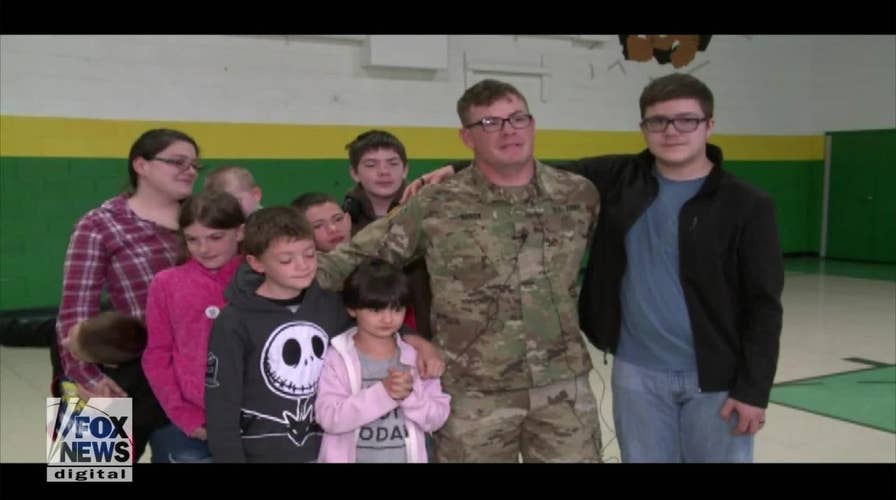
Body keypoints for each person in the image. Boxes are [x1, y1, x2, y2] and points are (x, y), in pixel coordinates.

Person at [405, 73, 785, 463]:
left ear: (710, 125)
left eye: (686, 119)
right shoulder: (621, 178)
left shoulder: (747, 204)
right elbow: (529, 166)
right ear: (644, 129)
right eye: (658, 121)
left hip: (716, 377)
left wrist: (753, 390)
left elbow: (764, 304)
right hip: (637, 372)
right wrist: (456, 167)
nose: (671, 131)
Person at [317, 79, 603, 462]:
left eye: (517, 118)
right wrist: (266, 274)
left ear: (532, 124)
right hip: (473, 392)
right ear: (467, 138)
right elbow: (354, 260)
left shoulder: (577, 195)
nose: (508, 131)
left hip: (563, 388)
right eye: (489, 123)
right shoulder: (437, 204)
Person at [55, 128, 201, 459]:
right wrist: (86, 379)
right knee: (90, 475)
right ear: (141, 165)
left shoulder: (203, 222)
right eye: (178, 162)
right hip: (117, 371)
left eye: (194, 165)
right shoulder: (100, 224)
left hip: (187, 377)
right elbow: (74, 314)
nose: (190, 170)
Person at [143, 190, 246, 463]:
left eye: (215, 237)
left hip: (249, 418)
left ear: (240, 232)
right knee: (86, 469)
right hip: (103, 369)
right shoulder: (166, 283)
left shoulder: (262, 277)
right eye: (193, 240)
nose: (204, 248)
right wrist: (184, 415)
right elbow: (157, 354)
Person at [315, 258, 450, 463]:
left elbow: (437, 418)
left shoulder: (416, 357)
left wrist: (410, 397)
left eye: (397, 309)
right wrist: (383, 393)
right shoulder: (337, 356)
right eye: (376, 310)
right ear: (352, 308)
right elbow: (328, 417)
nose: (388, 319)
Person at [343, 130, 433, 339]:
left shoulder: (431, 214)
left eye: (392, 163)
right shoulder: (342, 221)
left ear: (405, 169)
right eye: (371, 165)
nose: (384, 172)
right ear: (354, 173)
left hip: (427, 331)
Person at [58, 311, 169, 462]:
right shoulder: (89, 336)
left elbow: (154, 416)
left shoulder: (146, 377)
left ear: (109, 364)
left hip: (128, 429)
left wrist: (105, 408)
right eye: (71, 333)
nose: (64, 342)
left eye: (75, 352)